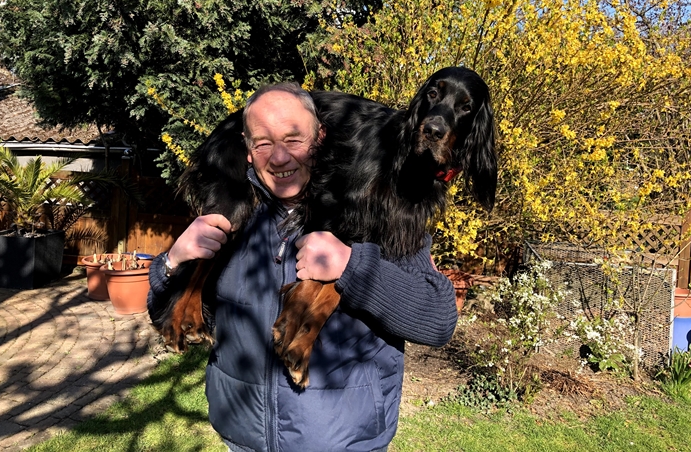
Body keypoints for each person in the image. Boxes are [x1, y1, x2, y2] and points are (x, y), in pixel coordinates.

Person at [148, 83, 458, 452]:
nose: (279, 157)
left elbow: (438, 321)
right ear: (247, 148)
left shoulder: (381, 210)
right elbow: (181, 316)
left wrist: (351, 265)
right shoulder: (233, 216)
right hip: (244, 442)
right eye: (263, 143)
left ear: (320, 137)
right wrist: (172, 262)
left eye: (293, 139)